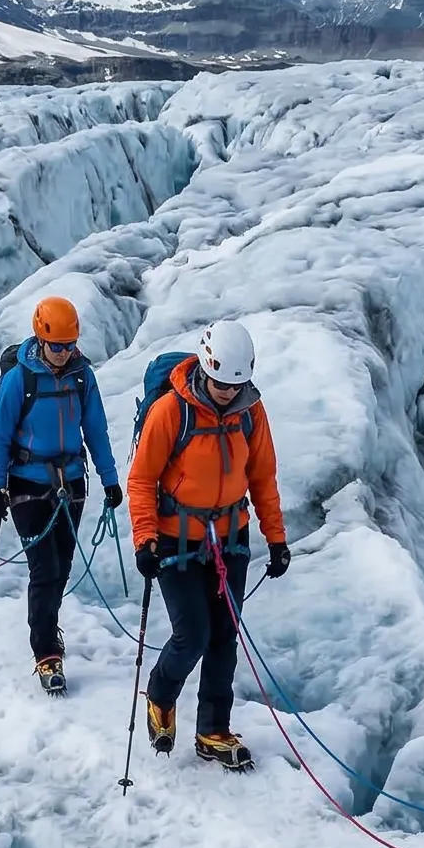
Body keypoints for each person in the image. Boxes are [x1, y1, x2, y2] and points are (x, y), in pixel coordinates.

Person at [127, 320, 290, 770]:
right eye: (220, 384)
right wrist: (145, 539)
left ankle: (213, 731)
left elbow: (262, 477)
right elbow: (141, 479)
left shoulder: (250, 412)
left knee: (224, 636)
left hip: (230, 539)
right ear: (205, 367)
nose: (226, 393)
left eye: (235, 386)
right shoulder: (171, 411)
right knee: (193, 634)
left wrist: (276, 538)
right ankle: (160, 694)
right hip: (175, 539)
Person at [0, 297, 122, 694]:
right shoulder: (20, 380)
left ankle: (48, 625)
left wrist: (110, 478)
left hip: (72, 482)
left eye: (69, 345)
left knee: (61, 566)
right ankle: (45, 651)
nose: (63, 353)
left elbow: (95, 430)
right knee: (44, 570)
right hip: (27, 485)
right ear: (41, 338)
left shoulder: (82, 377)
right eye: (57, 346)